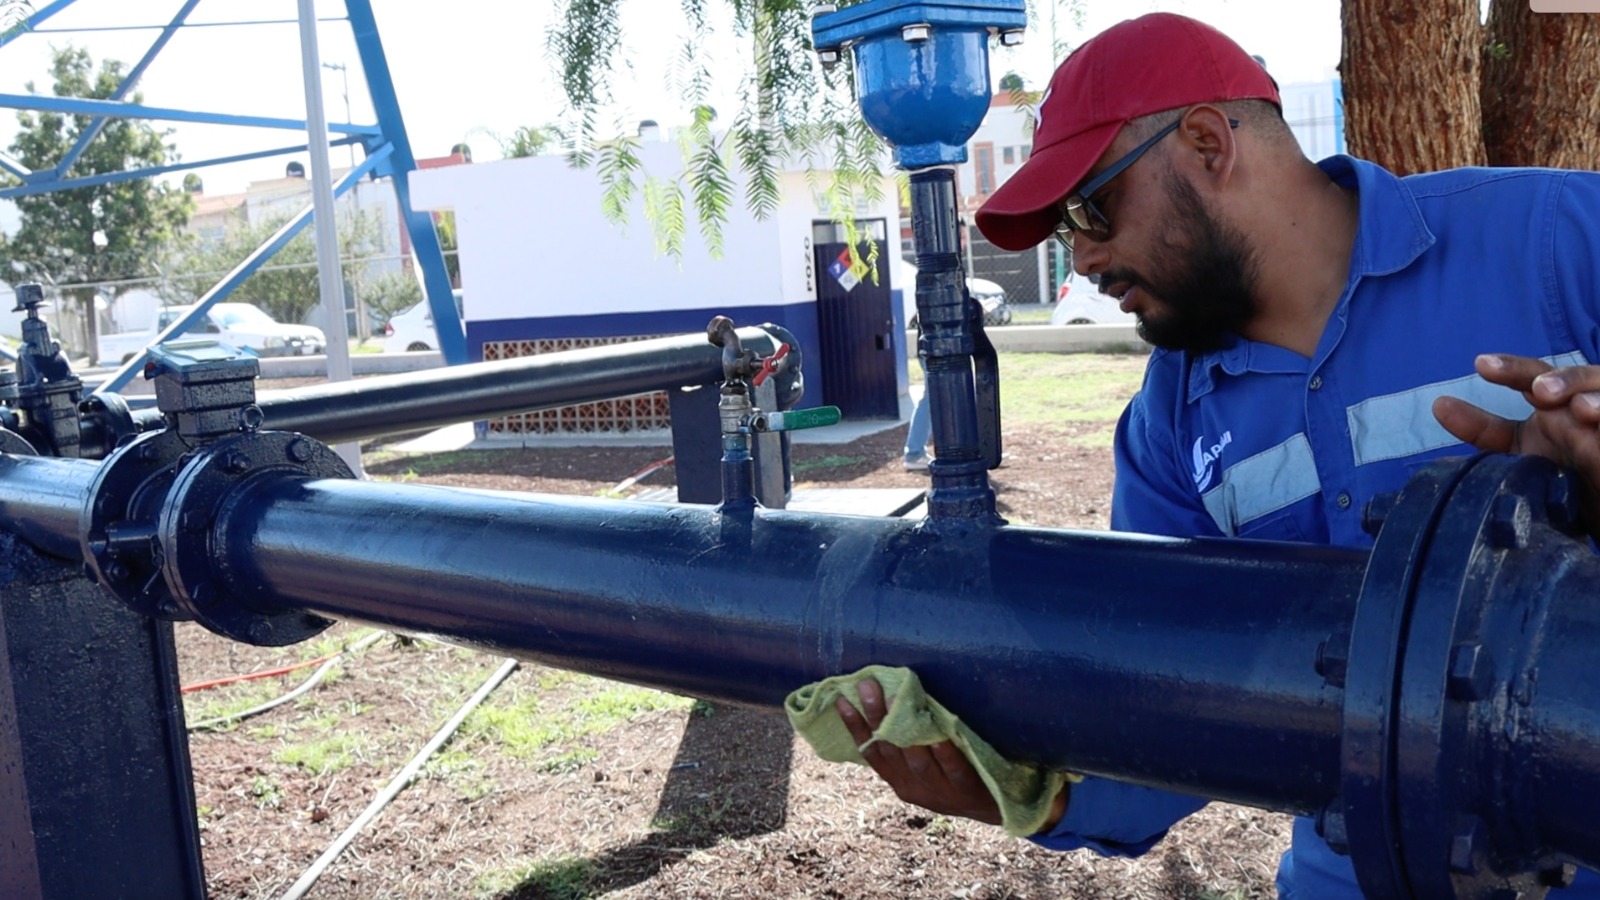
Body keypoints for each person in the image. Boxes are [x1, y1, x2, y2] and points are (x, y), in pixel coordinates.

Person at [835, 11, 1600, 898]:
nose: (1082, 258)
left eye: (1090, 207)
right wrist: (1030, 793)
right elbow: (1159, 708)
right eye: (1062, 231)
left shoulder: (1558, 242)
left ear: (1205, 142)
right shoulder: (1167, 428)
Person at [903, 355, 933, 471]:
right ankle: (914, 453)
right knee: (931, 398)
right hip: (934, 350)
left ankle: (915, 452)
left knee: (931, 398)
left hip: (931, 351)